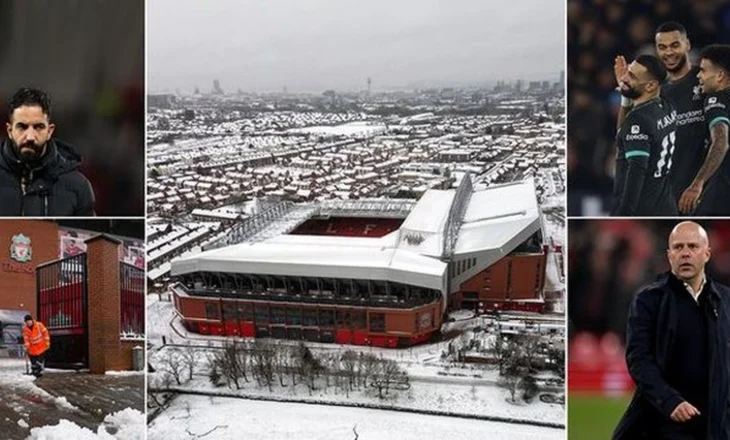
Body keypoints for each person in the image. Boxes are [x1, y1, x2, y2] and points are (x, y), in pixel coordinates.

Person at [613, 221, 730, 440]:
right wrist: (669, 401)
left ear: (707, 253)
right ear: (669, 255)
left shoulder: (725, 301)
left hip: (714, 425)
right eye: (678, 247)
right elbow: (639, 359)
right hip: (663, 422)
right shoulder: (649, 299)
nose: (685, 253)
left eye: (693, 247)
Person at [615, 22, 707, 209]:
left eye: (675, 45)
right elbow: (624, 135)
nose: (669, 53)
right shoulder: (654, 90)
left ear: (687, 44)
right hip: (667, 195)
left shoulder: (704, 80)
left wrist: (700, 183)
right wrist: (626, 94)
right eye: (662, 47)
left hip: (702, 192)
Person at [0, 87, 95, 216]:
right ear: (9, 131)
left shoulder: (77, 186)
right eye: (22, 127)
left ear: (50, 131)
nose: (30, 137)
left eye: (38, 127)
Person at [612, 55, 677, 216]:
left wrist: (625, 213)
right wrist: (626, 96)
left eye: (632, 76)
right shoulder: (666, 106)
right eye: (628, 71)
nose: (624, 78)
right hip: (665, 204)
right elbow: (622, 134)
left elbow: (636, 169)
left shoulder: (638, 120)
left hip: (642, 208)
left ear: (650, 85)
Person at [679, 44, 730, 215]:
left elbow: (721, 142)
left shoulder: (716, 99)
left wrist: (697, 184)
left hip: (722, 187)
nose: (699, 76)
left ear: (720, 75)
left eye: (703, 71)